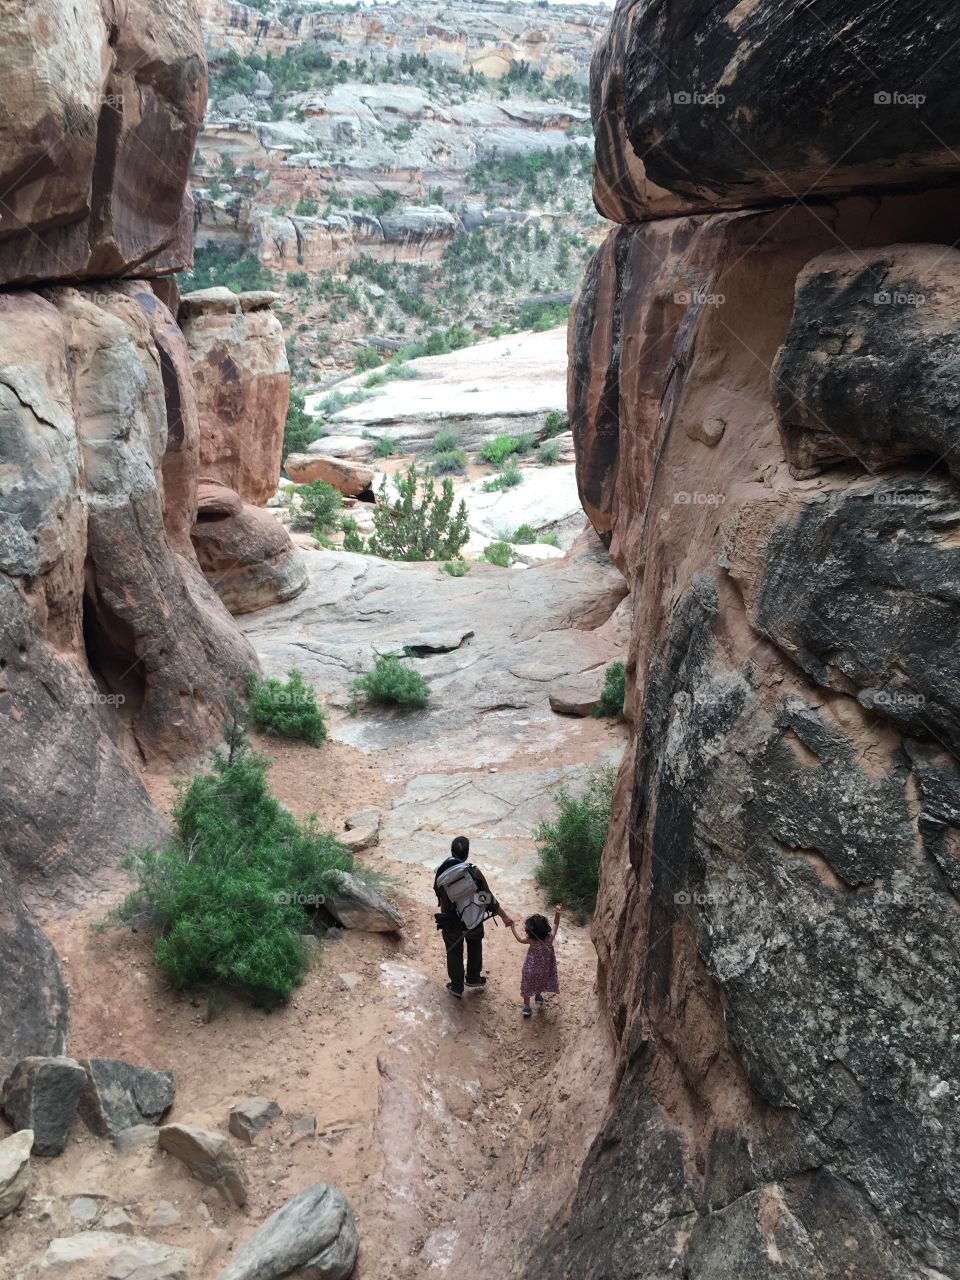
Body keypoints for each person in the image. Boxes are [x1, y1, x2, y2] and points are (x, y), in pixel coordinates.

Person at [434, 836, 512, 999]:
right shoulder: (473, 872)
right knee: (474, 944)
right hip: (473, 918)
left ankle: (456, 986)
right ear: (467, 854)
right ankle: (474, 978)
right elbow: (487, 897)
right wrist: (504, 917)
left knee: (454, 951)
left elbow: (438, 895)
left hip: (451, 921)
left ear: (452, 851)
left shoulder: (441, 873)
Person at [507, 903, 562, 1018]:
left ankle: (526, 1007)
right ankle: (538, 996)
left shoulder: (531, 940)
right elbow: (556, 923)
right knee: (541, 981)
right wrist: (557, 913)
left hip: (530, 970)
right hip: (544, 970)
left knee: (527, 986)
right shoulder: (549, 938)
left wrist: (513, 927)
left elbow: (519, 939)